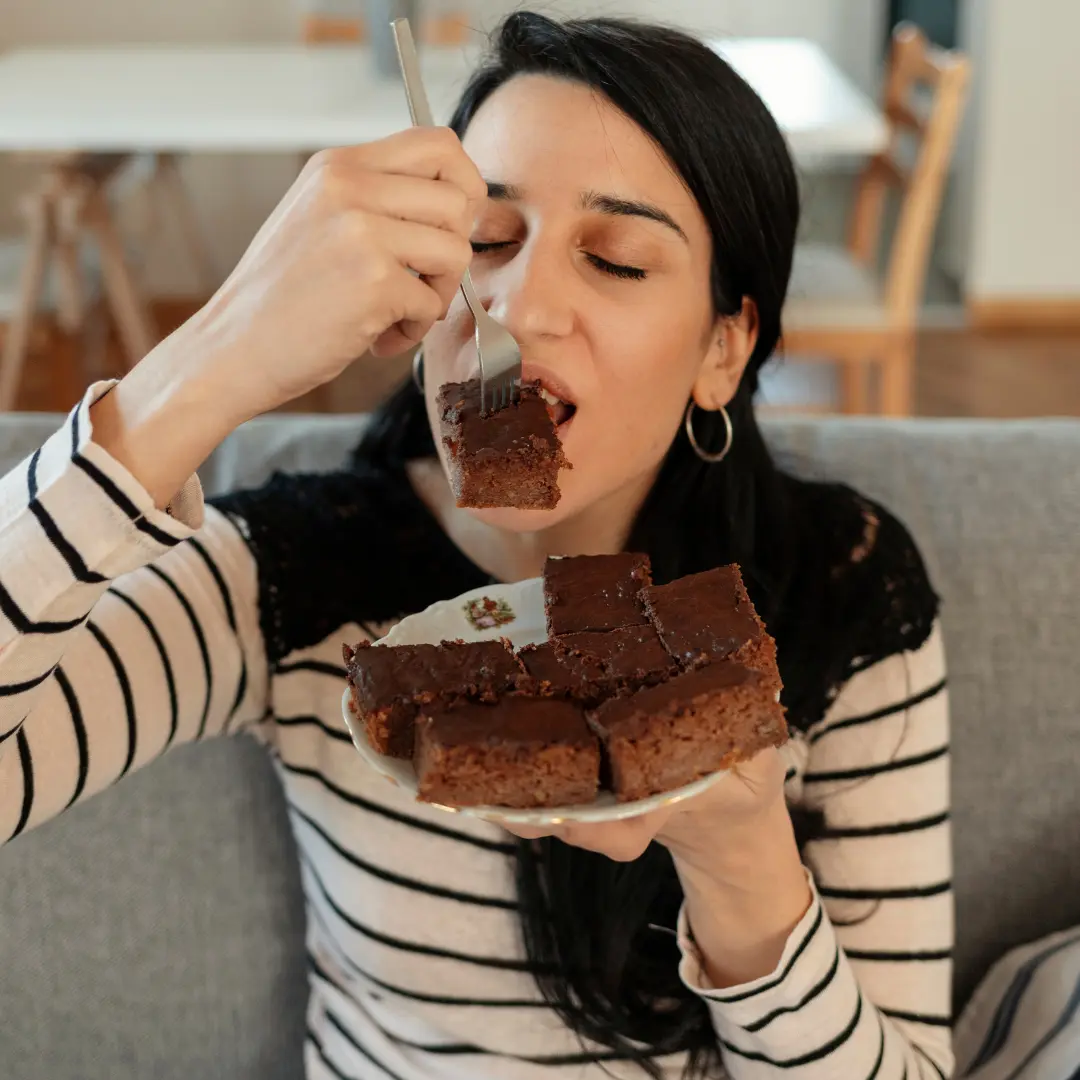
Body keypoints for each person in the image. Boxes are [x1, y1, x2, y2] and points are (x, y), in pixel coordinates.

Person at [0, 13, 952, 1080]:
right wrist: (213, 362)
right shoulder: (297, 582)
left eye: (616, 258)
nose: (522, 303)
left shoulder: (845, 595)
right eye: (486, 244)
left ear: (723, 350)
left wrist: (744, 873)